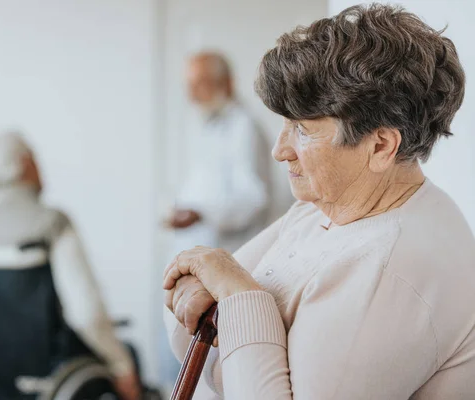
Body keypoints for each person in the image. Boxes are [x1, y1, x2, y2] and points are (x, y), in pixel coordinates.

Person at [163, 4, 475, 399]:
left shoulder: (393, 270)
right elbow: (187, 328)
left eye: (302, 130)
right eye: (285, 124)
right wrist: (216, 294)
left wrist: (238, 295)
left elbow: (217, 305)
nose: (280, 151)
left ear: (380, 145)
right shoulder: (319, 209)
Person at [0, 132, 140, 400]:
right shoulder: (52, 223)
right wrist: (121, 365)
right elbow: (87, 314)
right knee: (129, 354)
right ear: (25, 163)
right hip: (48, 377)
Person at [165, 51, 271, 253]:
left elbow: (254, 199)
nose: (192, 95)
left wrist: (201, 214)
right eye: (189, 85)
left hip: (229, 250)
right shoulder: (207, 124)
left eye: (201, 84)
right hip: (197, 247)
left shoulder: (245, 128)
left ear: (227, 83)